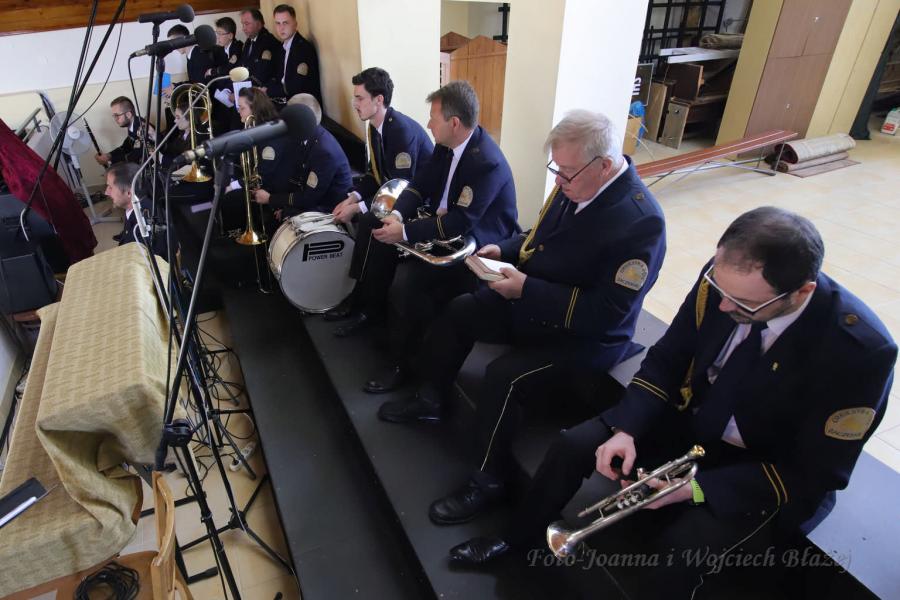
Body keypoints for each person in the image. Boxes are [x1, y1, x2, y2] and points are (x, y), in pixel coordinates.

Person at [449, 207, 896, 597]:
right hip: (698, 424)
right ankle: (518, 538)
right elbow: (668, 358)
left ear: (802, 293)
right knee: (572, 445)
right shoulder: (722, 282)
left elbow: (817, 471)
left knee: (684, 547)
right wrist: (626, 427)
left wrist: (696, 489)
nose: (725, 307)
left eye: (744, 304)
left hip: (763, 467)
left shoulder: (859, 351)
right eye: (721, 291)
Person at [379, 109, 666, 517]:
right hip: (534, 299)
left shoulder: (641, 221)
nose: (558, 180)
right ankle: (431, 397)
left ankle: (487, 481)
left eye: (566, 172)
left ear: (603, 166)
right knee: (460, 310)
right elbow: (541, 239)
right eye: (556, 169)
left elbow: (606, 312)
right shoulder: (577, 184)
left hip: (584, 336)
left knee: (504, 376)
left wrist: (526, 288)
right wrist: (505, 250)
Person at [352, 80, 520, 387]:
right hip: (447, 226)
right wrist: (396, 216)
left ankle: (402, 366)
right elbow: (419, 185)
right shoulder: (446, 146)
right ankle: (377, 320)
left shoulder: (487, 163)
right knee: (379, 240)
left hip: (480, 245)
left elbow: (461, 223)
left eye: (433, 118)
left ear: (454, 123)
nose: (428, 124)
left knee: (410, 285)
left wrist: (405, 232)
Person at [327, 67, 434, 323]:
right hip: (395, 195)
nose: (354, 104)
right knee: (359, 212)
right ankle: (361, 296)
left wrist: (359, 208)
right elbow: (374, 175)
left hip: (418, 201)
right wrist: (352, 199)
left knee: (369, 222)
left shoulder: (400, 131)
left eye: (359, 98)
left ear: (379, 100)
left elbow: (400, 187)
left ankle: (366, 303)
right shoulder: (376, 127)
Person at [251, 93, 352, 219]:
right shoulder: (305, 137)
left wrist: (271, 199)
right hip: (311, 200)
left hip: (328, 210)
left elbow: (310, 198)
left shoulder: (324, 152)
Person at [105, 161, 169, 257]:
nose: (106, 192)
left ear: (129, 193)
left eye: (110, 187)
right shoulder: (135, 209)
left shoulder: (145, 223)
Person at [267, 4, 322, 107]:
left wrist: (268, 91)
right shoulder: (281, 48)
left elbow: (296, 86)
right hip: (284, 100)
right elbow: (276, 76)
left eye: (285, 23)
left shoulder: (303, 49)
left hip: (303, 106)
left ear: (295, 24)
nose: (281, 28)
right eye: (278, 23)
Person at [94, 97, 154, 166]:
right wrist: (109, 155)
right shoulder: (133, 125)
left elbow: (137, 154)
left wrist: (110, 161)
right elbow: (126, 146)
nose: (115, 119)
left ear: (128, 114)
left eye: (117, 115)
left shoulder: (141, 128)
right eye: (114, 116)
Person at [238, 8, 283, 92]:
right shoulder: (248, 42)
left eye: (247, 24)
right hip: (249, 87)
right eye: (243, 24)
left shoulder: (268, 42)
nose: (243, 28)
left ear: (258, 24)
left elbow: (261, 76)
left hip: (262, 91)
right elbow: (243, 67)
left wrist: (241, 90)